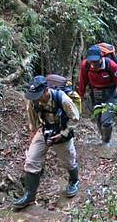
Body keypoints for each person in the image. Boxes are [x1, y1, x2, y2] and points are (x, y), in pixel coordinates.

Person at [13, 75, 80, 210]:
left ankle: (74, 181)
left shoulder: (62, 99)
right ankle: (29, 195)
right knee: (31, 159)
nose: (35, 98)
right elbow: (32, 120)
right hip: (44, 129)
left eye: (38, 94)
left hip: (61, 129)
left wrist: (63, 134)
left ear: (45, 90)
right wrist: (33, 137)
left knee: (68, 160)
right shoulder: (33, 100)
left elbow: (75, 118)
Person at [77, 44, 117, 146]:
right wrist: (80, 95)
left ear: (101, 57)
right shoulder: (85, 65)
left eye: (96, 61)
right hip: (95, 94)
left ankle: (106, 142)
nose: (94, 64)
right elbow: (83, 81)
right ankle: (103, 138)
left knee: (106, 121)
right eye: (92, 61)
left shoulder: (111, 66)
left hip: (110, 94)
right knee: (98, 118)